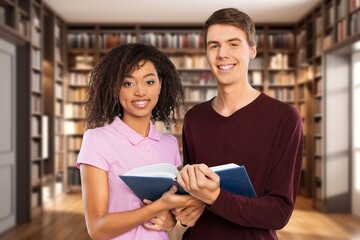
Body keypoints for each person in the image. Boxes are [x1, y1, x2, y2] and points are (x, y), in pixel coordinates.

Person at [173, 8, 304, 240]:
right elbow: (192, 194)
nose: (222, 53)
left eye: (233, 44)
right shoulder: (194, 118)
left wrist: (215, 197)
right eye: (214, 45)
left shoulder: (284, 118)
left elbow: (279, 213)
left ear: (252, 50)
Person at [77, 43, 201, 240]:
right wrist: (159, 207)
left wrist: (171, 219)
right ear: (114, 88)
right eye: (128, 83)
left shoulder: (169, 144)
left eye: (149, 82)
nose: (140, 92)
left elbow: (173, 215)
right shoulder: (97, 140)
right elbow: (97, 228)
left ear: (160, 84)